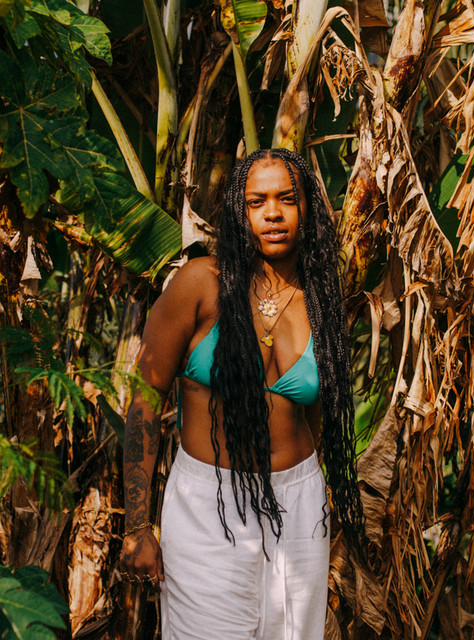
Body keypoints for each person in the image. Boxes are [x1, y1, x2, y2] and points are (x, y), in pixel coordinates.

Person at [119, 148, 366, 639]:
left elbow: (316, 416)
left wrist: (310, 490)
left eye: (287, 199)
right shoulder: (200, 284)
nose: (272, 213)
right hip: (207, 507)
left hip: (299, 508)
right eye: (257, 201)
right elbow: (144, 401)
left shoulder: (321, 299)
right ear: (240, 210)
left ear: (307, 209)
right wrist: (137, 526)